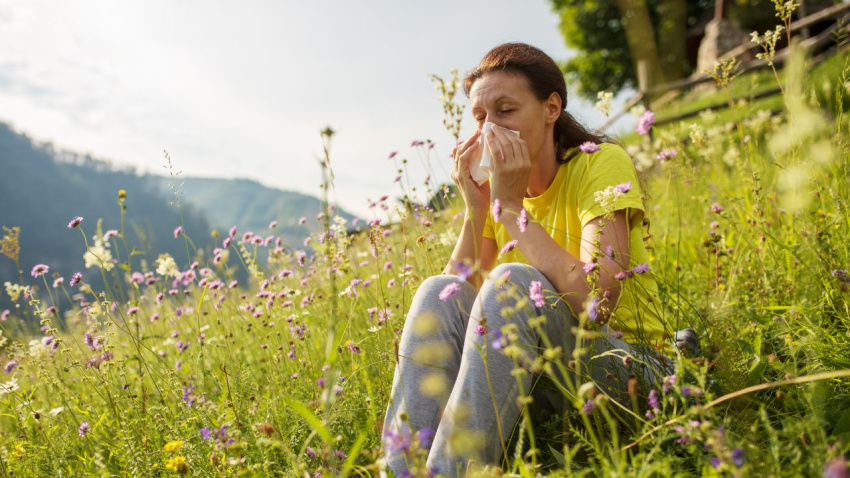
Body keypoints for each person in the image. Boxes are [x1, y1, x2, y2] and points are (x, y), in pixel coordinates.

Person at [382, 42, 688, 477]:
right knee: (434, 291)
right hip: (545, 378)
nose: (489, 129)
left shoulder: (599, 165)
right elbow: (452, 304)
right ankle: (401, 472)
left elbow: (596, 302)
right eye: (480, 117)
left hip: (631, 372)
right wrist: (477, 208)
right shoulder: (500, 193)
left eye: (505, 111)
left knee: (513, 281)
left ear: (551, 108)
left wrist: (509, 209)